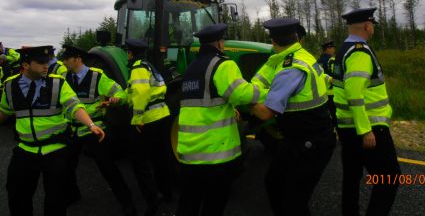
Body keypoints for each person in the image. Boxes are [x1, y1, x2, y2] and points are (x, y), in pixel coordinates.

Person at [0, 45, 105, 216]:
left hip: (55, 151)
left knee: (56, 201)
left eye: (47, 62)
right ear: (25, 65)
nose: (46, 66)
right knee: (17, 197)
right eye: (40, 62)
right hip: (25, 150)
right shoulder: (10, 86)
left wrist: (90, 124)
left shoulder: (58, 83)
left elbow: (74, 106)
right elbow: (4, 111)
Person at [250, 18, 336, 216]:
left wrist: (242, 100)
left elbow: (265, 113)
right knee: (273, 181)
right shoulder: (302, 55)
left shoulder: (290, 69)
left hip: (310, 142)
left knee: (294, 202)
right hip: (300, 137)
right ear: (297, 38)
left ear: (273, 41)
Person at [176, 23, 261, 216]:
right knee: (214, 204)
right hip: (215, 155)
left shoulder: (190, 69)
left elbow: (205, 101)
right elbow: (242, 94)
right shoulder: (223, 64)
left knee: (188, 202)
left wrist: (229, 108)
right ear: (220, 43)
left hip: (190, 152)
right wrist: (267, 92)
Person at [333, 8, 400, 216]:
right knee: (390, 178)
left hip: (347, 126)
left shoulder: (344, 48)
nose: (372, 29)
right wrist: (365, 130)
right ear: (367, 26)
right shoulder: (359, 51)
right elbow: (354, 92)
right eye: (372, 25)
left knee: (352, 177)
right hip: (368, 127)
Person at [61, 45, 136, 216]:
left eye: (67, 58)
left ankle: (127, 201)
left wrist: (117, 99)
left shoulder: (97, 77)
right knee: (67, 166)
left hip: (94, 130)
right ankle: (73, 194)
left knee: (107, 167)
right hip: (73, 129)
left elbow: (122, 94)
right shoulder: (64, 77)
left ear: (77, 59)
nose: (64, 61)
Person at [125, 38, 173, 216]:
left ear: (130, 53)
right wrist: (117, 99)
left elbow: (141, 92)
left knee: (140, 163)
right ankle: (166, 193)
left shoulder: (137, 68)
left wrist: (137, 118)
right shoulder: (150, 66)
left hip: (148, 120)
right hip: (162, 115)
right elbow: (134, 91)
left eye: (127, 52)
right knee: (161, 157)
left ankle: (152, 201)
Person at [317, 40, 337, 127]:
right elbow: (337, 74)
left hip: (322, 93)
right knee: (335, 116)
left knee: (325, 117)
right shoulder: (331, 60)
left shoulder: (318, 61)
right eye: (332, 47)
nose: (334, 49)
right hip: (332, 92)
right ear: (328, 48)